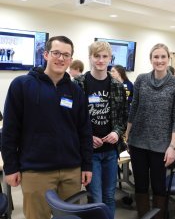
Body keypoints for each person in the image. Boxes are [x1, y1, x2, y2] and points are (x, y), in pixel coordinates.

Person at [1, 36, 93, 219]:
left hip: (71, 170)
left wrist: (87, 165)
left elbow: (84, 131)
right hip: (36, 171)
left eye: (66, 55)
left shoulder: (76, 91)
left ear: (70, 59)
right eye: (56, 53)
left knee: (69, 217)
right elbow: (10, 130)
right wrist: (10, 167)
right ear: (45, 55)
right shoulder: (22, 85)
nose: (61, 58)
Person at [125, 43, 175, 219]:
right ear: (151, 59)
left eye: (163, 57)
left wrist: (172, 147)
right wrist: (127, 136)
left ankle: (158, 216)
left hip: (162, 145)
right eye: (156, 57)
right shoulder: (141, 79)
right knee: (141, 185)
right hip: (138, 142)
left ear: (169, 59)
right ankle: (143, 215)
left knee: (159, 186)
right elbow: (134, 108)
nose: (159, 60)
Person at [73, 41, 128, 217]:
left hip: (111, 151)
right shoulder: (78, 84)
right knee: (96, 198)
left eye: (105, 56)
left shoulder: (117, 86)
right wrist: (87, 137)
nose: (101, 60)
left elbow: (123, 117)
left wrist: (117, 132)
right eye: (97, 56)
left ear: (110, 58)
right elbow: (72, 119)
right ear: (90, 57)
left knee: (110, 196)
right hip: (90, 153)